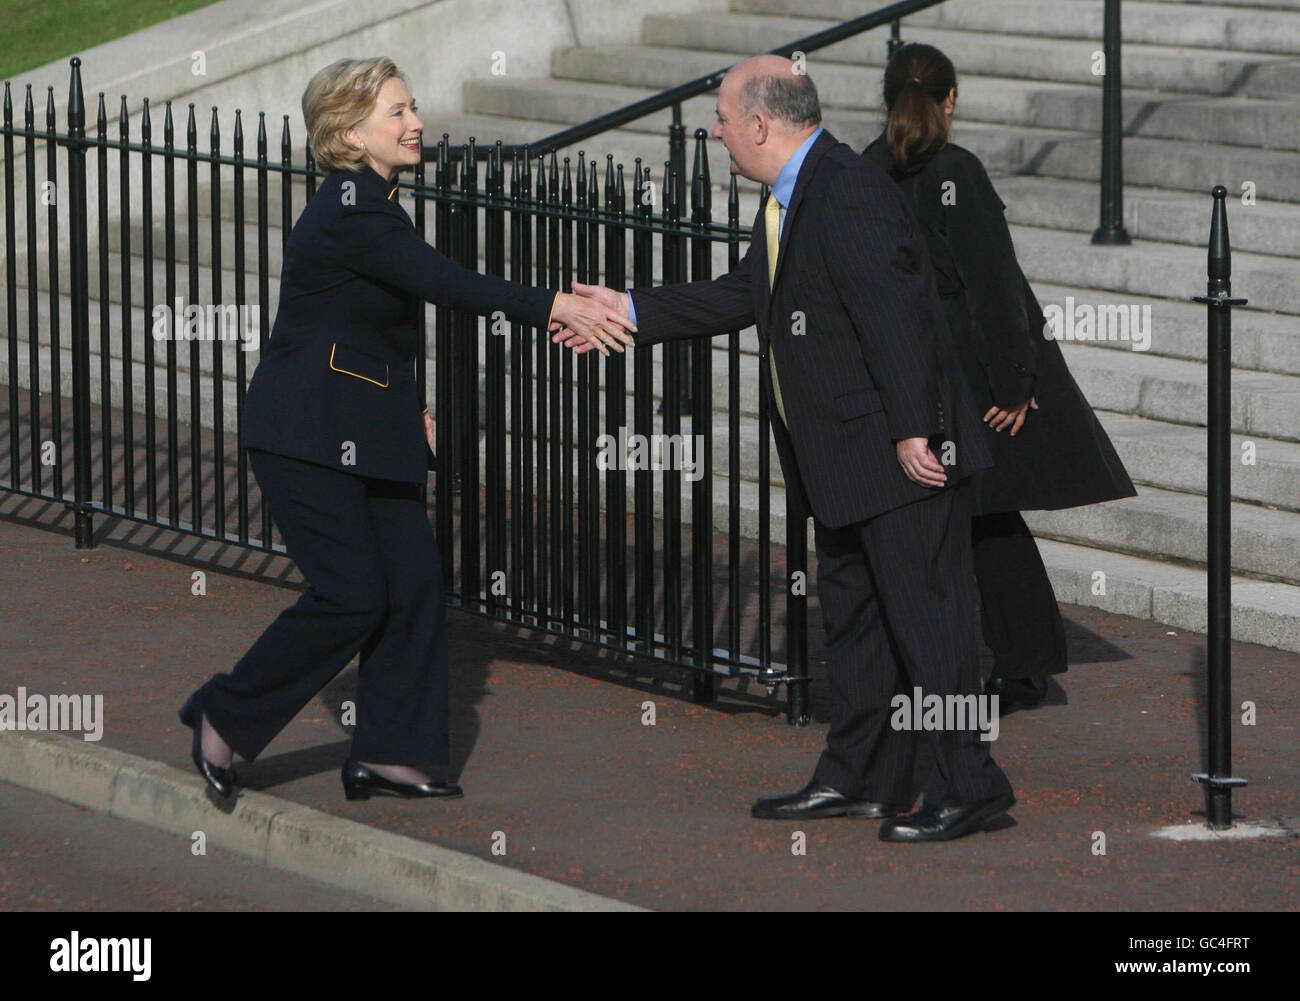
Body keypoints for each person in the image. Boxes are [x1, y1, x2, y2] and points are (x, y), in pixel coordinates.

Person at [559, 55, 1014, 842]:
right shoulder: (792, 194)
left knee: (934, 628)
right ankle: (859, 776)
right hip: (842, 460)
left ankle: (970, 784)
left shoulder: (849, 189)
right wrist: (628, 307)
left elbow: (901, 314)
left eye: (724, 120)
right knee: (857, 624)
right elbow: (747, 291)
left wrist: (914, 429)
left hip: (902, 458)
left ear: (762, 125)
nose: (717, 132)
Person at [179, 57, 634, 803]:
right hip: (306, 431)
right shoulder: (353, 206)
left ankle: (391, 754)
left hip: (372, 426)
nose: (415, 121)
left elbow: (378, 323)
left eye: (412, 107)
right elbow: (446, 284)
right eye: (396, 111)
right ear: (351, 131)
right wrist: (559, 305)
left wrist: (409, 401)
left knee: (415, 585)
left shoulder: (376, 204)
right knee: (354, 593)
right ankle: (223, 717)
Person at [862, 44, 1136, 711]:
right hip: (969, 382)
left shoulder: (867, 170)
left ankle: (959, 662)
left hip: (900, 377)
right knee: (986, 522)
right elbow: (993, 288)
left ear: (888, 98)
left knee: (941, 522)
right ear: (950, 99)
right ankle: (1020, 661)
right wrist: (1016, 383)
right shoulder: (956, 171)